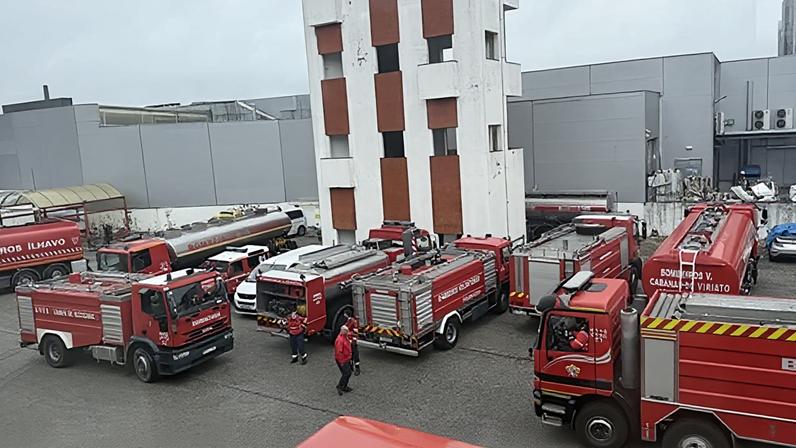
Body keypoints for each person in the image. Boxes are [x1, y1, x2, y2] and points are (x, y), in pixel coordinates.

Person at [335, 325, 353, 395]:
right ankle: (340, 386)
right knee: (347, 373)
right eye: (346, 331)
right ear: (343, 331)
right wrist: (341, 362)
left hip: (346, 359)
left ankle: (344, 386)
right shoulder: (340, 340)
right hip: (343, 360)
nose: (347, 332)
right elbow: (339, 352)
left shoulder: (344, 336)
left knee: (347, 373)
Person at [344, 311, 361, 376]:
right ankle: (351, 367)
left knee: (355, 354)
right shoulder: (349, 320)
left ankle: (357, 368)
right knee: (350, 354)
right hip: (349, 340)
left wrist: (353, 339)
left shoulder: (352, 321)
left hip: (352, 341)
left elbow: (355, 332)